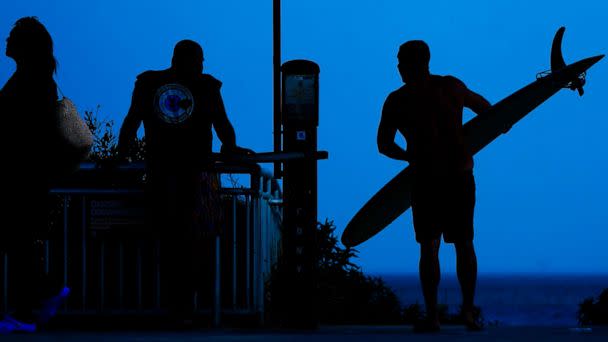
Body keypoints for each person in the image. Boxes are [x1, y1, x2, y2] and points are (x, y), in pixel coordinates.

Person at [116, 39, 253, 325]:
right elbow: (223, 126)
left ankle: (172, 305)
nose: (202, 65)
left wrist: (122, 157)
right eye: (200, 60)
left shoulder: (149, 84)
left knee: (168, 242)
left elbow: (131, 122)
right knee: (195, 243)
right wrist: (231, 148)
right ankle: (188, 306)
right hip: (197, 175)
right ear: (196, 61)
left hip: (161, 174)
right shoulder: (206, 87)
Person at [377, 40, 491, 332]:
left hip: (432, 178)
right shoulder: (451, 87)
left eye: (401, 61)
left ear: (416, 63)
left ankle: (438, 316)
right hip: (453, 176)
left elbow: (384, 145)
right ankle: (458, 314)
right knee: (456, 244)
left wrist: (408, 156)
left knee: (435, 247)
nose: (398, 67)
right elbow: (487, 110)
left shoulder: (399, 100)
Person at [0, 17, 70, 334]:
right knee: (19, 244)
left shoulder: (31, 81)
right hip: (28, 176)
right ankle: (32, 304)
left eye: (12, 36)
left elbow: (25, 130)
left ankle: (32, 305)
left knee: (19, 243)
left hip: (23, 177)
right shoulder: (37, 79)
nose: (6, 40)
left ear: (24, 45)